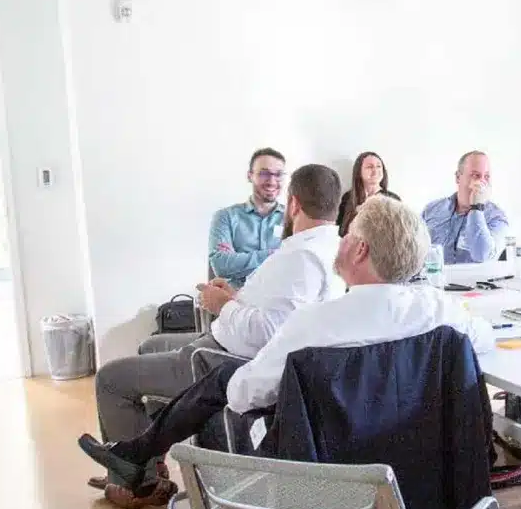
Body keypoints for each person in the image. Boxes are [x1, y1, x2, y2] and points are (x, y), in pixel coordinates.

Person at [78, 196, 494, 493]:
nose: (340, 240)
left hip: (327, 481)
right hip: (420, 477)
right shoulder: (443, 312)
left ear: (360, 249)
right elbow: (484, 339)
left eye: (347, 234)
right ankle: (137, 454)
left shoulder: (316, 325)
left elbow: (244, 395)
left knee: (228, 379)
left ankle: (139, 455)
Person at [90, 163, 344, 508]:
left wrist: (223, 305)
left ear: (294, 203)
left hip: (218, 358)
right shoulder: (325, 248)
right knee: (150, 345)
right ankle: (147, 464)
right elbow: (278, 312)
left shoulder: (302, 257)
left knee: (111, 377)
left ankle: (137, 481)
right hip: (224, 339)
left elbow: (272, 333)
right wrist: (237, 299)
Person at [208, 148, 287, 288]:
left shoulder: (293, 218)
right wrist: (276, 255)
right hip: (234, 302)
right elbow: (221, 266)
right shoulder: (225, 217)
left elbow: (297, 264)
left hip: (278, 302)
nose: (272, 181)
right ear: (250, 176)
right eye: (264, 173)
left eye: (278, 174)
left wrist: (240, 261)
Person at [421, 151, 510, 264]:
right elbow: (415, 252)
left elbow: (482, 255)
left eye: (486, 177)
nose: (481, 182)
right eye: (475, 175)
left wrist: (476, 207)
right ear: (458, 177)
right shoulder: (431, 210)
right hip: (433, 280)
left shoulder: (497, 217)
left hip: (475, 281)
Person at [336, 151, 401, 236]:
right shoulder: (348, 198)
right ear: (359, 172)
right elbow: (340, 230)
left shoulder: (393, 199)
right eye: (370, 167)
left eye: (378, 166)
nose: (375, 171)